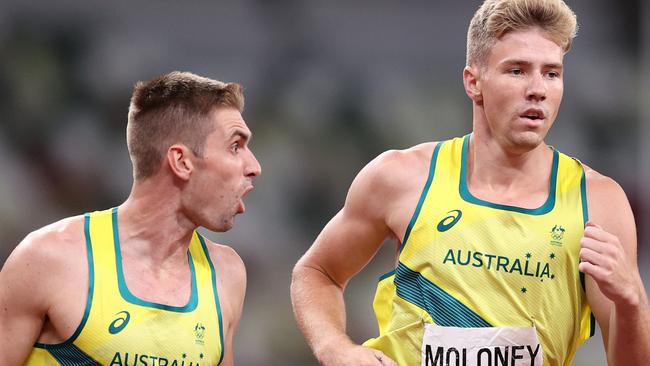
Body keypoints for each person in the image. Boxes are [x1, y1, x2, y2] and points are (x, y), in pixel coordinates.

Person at [290, 0, 650, 365]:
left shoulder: (598, 202)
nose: (538, 89)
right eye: (517, 71)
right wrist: (335, 347)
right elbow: (317, 272)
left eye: (551, 73)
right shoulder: (402, 177)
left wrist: (632, 302)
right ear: (473, 82)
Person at [0, 71, 261, 365]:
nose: (254, 166)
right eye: (235, 146)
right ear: (181, 161)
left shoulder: (226, 274)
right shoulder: (49, 258)